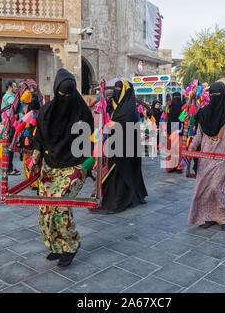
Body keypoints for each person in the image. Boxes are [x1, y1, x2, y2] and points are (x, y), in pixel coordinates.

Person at [29, 69, 94, 267]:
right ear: (56, 90)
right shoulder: (47, 111)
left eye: (69, 94)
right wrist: (35, 159)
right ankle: (56, 245)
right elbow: (39, 138)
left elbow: (89, 142)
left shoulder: (83, 112)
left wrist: (87, 164)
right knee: (45, 210)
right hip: (51, 165)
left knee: (61, 205)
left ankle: (71, 246)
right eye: (62, 94)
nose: (65, 98)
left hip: (75, 165)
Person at [187, 82, 225, 231]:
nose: (214, 98)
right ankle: (207, 217)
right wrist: (191, 148)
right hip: (205, 157)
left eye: (217, 95)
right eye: (211, 95)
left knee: (215, 188)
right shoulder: (203, 112)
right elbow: (199, 134)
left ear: (224, 96)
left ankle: (223, 216)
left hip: (221, 157)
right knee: (202, 189)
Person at [93, 80, 148, 214]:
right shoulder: (113, 103)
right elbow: (104, 115)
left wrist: (115, 124)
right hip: (113, 143)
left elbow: (128, 125)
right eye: (116, 88)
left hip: (127, 146)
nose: (116, 91)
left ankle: (123, 197)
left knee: (123, 171)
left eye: (119, 89)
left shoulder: (130, 109)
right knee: (114, 169)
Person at [20, 94, 41, 192]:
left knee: (27, 162)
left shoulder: (27, 116)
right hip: (32, 142)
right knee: (34, 163)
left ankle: (31, 181)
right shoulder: (40, 115)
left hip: (28, 141)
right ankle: (34, 182)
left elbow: (21, 127)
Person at [1, 81, 20, 176]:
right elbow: (14, 103)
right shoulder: (8, 96)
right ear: (9, 87)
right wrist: (20, 95)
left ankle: (10, 167)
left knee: (11, 147)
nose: (16, 88)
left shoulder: (11, 95)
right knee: (9, 147)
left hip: (12, 124)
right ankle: (8, 168)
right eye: (14, 86)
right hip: (9, 125)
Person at [165, 92, 184, 173]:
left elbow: (167, 120)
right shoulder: (183, 108)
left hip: (170, 131)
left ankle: (170, 166)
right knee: (179, 149)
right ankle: (178, 166)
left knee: (170, 148)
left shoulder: (169, 108)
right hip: (179, 130)